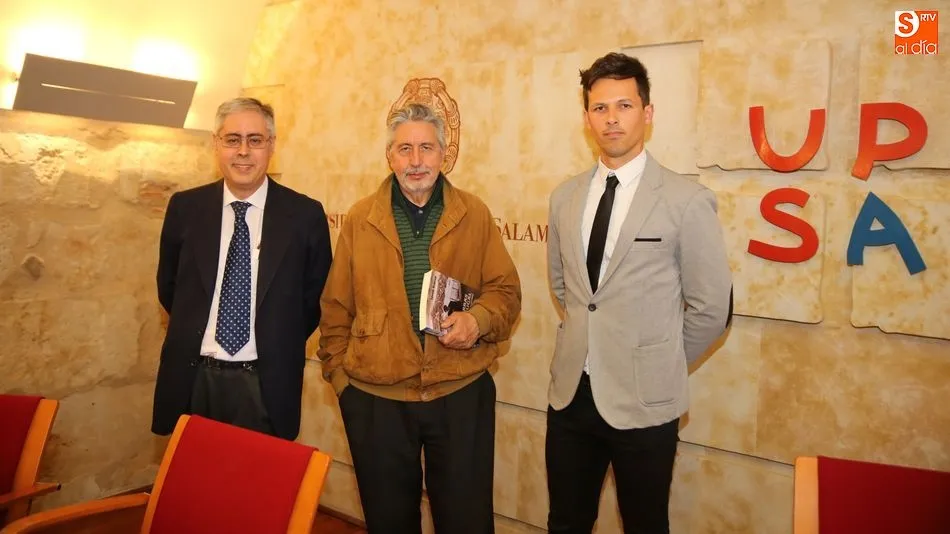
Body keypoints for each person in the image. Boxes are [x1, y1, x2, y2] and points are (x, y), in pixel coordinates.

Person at [545, 52, 733, 533]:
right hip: (572, 396)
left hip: (646, 403)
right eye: (600, 108)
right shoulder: (564, 198)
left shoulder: (685, 200)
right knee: (566, 520)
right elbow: (567, 289)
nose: (612, 118)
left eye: (624, 106)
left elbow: (712, 308)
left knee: (646, 523)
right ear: (587, 118)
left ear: (647, 113)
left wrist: (657, 361)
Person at [318, 102, 521, 534]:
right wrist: (341, 381)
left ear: (444, 154)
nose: (416, 161)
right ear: (389, 156)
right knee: (389, 522)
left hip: (460, 392)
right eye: (405, 149)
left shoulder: (474, 214)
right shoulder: (359, 219)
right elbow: (335, 308)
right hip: (376, 398)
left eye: (426, 148)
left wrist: (478, 321)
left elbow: (506, 293)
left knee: (466, 522)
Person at [153, 97, 332, 440]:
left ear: (271, 146)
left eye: (255, 140)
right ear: (216, 144)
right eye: (232, 139)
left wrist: (277, 339)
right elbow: (170, 287)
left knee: (259, 488)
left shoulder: (305, 216)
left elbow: (314, 301)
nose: (243, 151)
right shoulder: (185, 208)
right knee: (194, 486)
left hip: (265, 384)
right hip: (194, 378)